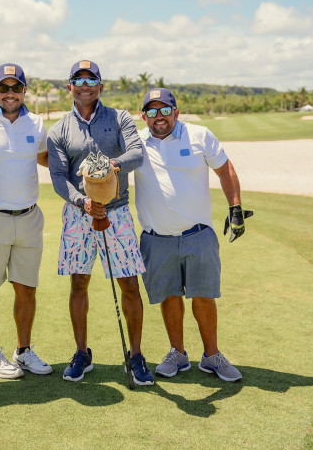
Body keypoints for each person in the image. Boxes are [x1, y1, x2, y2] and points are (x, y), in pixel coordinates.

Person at [47, 60, 154, 386]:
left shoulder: (119, 118)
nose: (84, 84)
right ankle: (82, 353)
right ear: (70, 88)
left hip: (117, 213)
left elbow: (137, 154)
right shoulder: (59, 130)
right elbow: (58, 177)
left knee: (130, 286)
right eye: (77, 80)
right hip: (78, 215)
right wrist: (84, 201)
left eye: (91, 78)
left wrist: (109, 168)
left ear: (100, 85)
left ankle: (136, 355)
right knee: (78, 284)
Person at [133, 88, 249, 382]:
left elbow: (225, 169)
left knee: (204, 295)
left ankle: (212, 356)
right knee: (169, 297)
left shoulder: (199, 135)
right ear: (143, 115)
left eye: (164, 110)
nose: (158, 117)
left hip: (198, 234)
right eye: (151, 111)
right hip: (156, 238)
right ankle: (178, 353)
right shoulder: (135, 142)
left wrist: (235, 207)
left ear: (176, 111)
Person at [0, 63, 52, 379]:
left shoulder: (35, 124)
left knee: (26, 289)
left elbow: (44, 157)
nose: (11, 93)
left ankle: (23, 351)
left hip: (29, 217)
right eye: (4, 88)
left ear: (24, 91)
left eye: (16, 87)